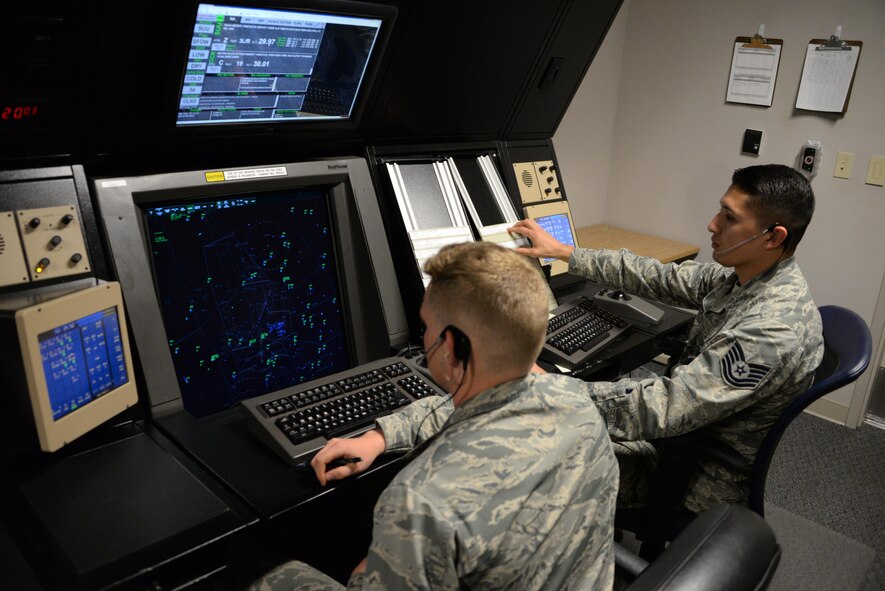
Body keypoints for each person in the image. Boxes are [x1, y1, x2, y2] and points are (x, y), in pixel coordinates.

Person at [250, 242, 619, 590]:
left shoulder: (421, 501)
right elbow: (468, 412)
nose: (423, 339)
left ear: (453, 347)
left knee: (266, 570)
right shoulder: (581, 407)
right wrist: (379, 436)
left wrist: (371, 574)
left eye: (426, 327)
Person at [508, 163, 823, 513]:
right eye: (720, 209)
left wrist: (551, 390)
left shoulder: (771, 330)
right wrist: (566, 252)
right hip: (680, 435)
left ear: (773, 237)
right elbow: (661, 278)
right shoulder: (748, 280)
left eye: (730, 218)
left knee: (530, 455)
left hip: (690, 473)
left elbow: (664, 407)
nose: (713, 224)